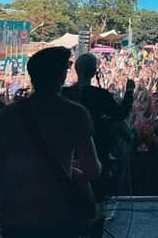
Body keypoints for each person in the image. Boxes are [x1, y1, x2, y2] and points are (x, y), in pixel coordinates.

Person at [0, 47, 101, 238]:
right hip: (56, 217)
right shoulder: (75, 113)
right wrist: (69, 169)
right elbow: (92, 170)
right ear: (61, 76)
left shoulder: (8, 115)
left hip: (15, 217)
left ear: (33, 77)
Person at [63, 53, 134, 238]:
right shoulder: (100, 95)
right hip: (96, 151)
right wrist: (129, 92)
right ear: (94, 72)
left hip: (67, 154)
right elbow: (120, 114)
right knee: (97, 200)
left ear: (76, 70)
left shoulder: (64, 94)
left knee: (70, 200)